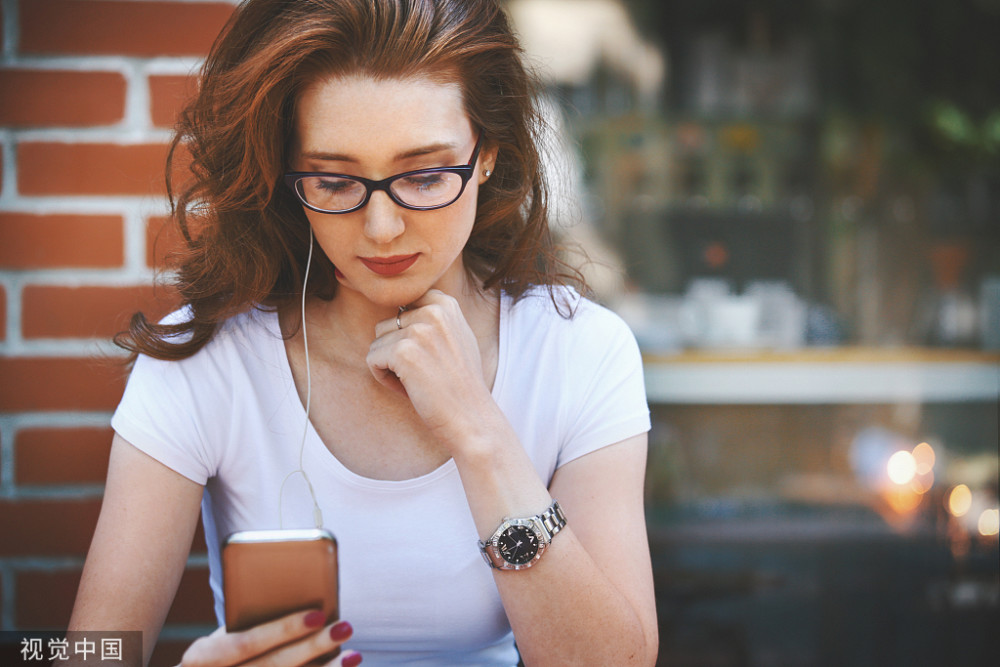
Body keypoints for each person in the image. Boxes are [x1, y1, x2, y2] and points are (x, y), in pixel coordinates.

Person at [68, 0, 658, 665]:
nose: (381, 228)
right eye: (334, 180)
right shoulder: (207, 360)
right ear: (288, 176)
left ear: (487, 154)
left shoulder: (580, 352)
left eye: (427, 175)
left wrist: (479, 430)